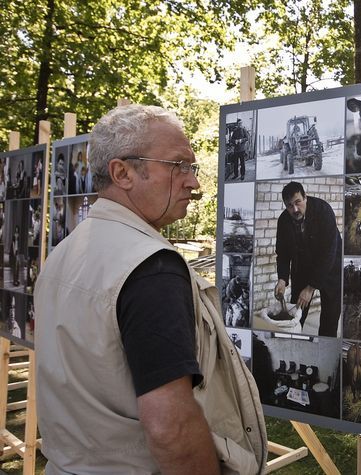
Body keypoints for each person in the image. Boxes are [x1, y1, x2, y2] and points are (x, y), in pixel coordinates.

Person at [35, 104, 267, 474]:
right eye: (178, 166)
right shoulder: (150, 267)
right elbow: (171, 428)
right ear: (122, 172)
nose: (193, 182)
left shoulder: (64, 254)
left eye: (192, 168)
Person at [274, 181, 342, 336]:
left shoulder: (323, 211)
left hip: (330, 268)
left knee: (329, 321)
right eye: (290, 205)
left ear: (305, 197)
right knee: (295, 318)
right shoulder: (283, 220)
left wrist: (310, 288)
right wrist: (282, 279)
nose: (295, 209)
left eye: (298, 202)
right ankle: (293, 349)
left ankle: (324, 354)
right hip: (303, 268)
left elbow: (329, 253)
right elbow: (283, 254)